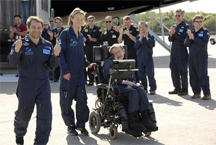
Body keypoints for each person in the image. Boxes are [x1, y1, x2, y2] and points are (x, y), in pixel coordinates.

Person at [8, 16, 61, 145]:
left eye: (39, 27)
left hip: (43, 85)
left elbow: (52, 65)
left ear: (42, 28)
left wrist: (56, 55)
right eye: (33, 27)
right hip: (26, 86)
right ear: (28, 28)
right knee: (23, 116)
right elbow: (11, 62)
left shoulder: (48, 45)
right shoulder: (20, 43)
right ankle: (19, 135)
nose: (36, 30)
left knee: (45, 118)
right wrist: (15, 51)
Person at [103, 43, 158, 134]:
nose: (118, 54)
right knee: (133, 92)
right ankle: (132, 121)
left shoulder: (126, 62)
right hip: (115, 87)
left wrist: (132, 83)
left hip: (127, 86)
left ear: (123, 51)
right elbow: (108, 77)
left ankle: (146, 118)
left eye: (119, 51)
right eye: (115, 53)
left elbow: (132, 76)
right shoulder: (108, 62)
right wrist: (124, 82)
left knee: (140, 89)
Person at [59, 7, 95, 136]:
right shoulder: (65, 33)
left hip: (80, 74)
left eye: (81, 19)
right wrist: (65, 71)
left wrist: (88, 64)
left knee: (81, 100)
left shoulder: (81, 36)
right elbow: (61, 54)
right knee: (66, 102)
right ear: (72, 19)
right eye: (77, 18)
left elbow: (81, 55)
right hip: (68, 75)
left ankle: (81, 125)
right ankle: (70, 125)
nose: (79, 20)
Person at [185, 15, 211, 100]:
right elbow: (186, 44)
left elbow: (203, 42)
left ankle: (207, 94)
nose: (199, 23)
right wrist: (189, 37)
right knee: (193, 75)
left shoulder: (205, 31)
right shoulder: (191, 32)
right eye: (198, 21)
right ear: (193, 23)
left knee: (202, 75)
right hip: (192, 57)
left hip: (201, 57)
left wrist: (193, 38)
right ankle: (196, 93)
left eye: (201, 21)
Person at [168, 9, 190, 96]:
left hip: (182, 52)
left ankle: (184, 89)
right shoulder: (174, 26)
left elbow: (183, 38)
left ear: (182, 16)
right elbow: (170, 39)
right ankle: (177, 88)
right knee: (173, 69)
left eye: (179, 15)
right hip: (174, 51)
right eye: (176, 15)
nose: (177, 17)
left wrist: (175, 32)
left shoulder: (186, 26)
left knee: (183, 71)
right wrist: (170, 34)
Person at [134, 21, 157, 95]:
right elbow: (136, 46)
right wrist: (140, 39)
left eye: (143, 26)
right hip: (140, 58)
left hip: (148, 57)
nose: (141, 28)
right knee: (141, 74)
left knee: (150, 74)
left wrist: (147, 37)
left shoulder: (151, 36)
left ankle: (152, 88)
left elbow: (152, 44)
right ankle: (144, 88)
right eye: (140, 27)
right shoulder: (138, 37)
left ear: (146, 27)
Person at [118, 16, 139, 81]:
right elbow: (119, 41)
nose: (127, 24)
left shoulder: (135, 29)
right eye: (125, 22)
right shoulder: (123, 29)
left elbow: (136, 40)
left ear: (130, 22)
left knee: (135, 67)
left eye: (128, 22)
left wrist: (129, 34)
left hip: (134, 51)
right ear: (123, 23)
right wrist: (121, 33)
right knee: (127, 68)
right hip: (126, 52)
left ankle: (137, 81)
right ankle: (129, 80)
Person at [82, 15, 101, 86]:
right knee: (89, 64)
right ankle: (90, 80)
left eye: (92, 21)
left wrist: (92, 39)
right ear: (87, 21)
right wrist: (84, 39)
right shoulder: (85, 29)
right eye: (89, 21)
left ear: (94, 21)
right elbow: (83, 39)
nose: (91, 22)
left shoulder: (98, 29)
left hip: (96, 49)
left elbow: (99, 40)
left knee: (96, 64)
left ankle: (97, 80)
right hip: (87, 49)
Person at [52, 17, 65, 82]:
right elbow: (50, 39)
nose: (58, 24)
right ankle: (56, 77)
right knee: (56, 63)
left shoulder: (64, 31)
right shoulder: (53, 30)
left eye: (59, 22)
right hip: (55, 49)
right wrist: (52, 36)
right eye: (56, 22)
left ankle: (63, 77)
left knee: (63, 63)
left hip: (63, 49)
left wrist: (59, 37)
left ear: (62, 23)